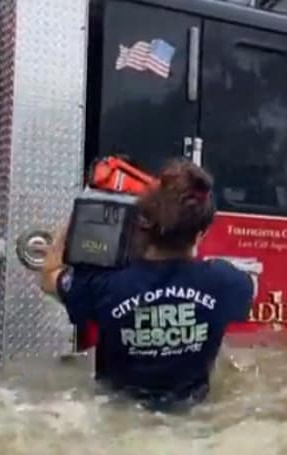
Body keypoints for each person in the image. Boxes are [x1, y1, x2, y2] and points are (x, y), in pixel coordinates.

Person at [40, 158, 255, 410]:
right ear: (201, 233)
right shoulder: (225, 283)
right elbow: (250, 288)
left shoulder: (104, 284)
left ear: (142, 224)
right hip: (194, 424)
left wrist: (82, 216)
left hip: (119, 419)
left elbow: (49, 276)